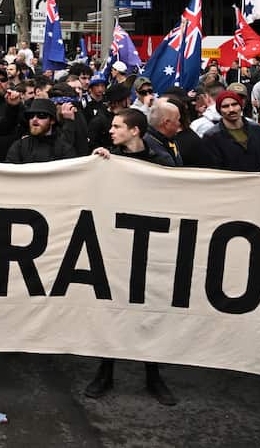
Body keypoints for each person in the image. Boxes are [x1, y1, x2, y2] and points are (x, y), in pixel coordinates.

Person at [88, 108, 176, 404]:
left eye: (117, 126)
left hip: (151, 244)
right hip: (117, 244)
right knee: (111, 307)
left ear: (135, 130)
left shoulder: (161, 161)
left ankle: (153, 375)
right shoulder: (110, 158)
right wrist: (98, 164)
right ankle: (105, 371)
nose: (110, 131)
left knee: (149, 310)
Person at [200, 90, 260, 172]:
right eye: (225, 106)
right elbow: (212, 169)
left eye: (234, 104)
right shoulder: (211, 136)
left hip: (258, 178)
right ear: (219, 110)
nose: (231, 109)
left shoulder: (257, 129)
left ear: (241, 106)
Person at [5, 98, 76, 163]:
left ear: (52, 120)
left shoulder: (64, 148)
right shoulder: (19, 146)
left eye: (41, 115)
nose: (34, 119)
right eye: (31, 115)